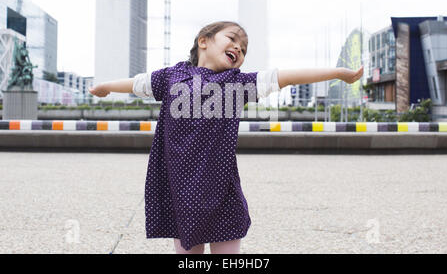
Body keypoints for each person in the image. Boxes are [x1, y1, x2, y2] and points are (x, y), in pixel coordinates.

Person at [89, 21, 363, 254]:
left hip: (221, 189)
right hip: (179, 189)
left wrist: (338, 73)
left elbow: (287, 77)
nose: (238, 48)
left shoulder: (238, 83)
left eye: (243, 49)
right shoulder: (172, 76)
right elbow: (137, 83)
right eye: (232, 39)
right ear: (204, 41)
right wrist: (105, 87)